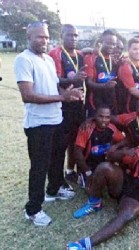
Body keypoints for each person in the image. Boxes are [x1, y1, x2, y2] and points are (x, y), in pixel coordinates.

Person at [14, 22, 83, 226]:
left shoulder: (48, 60)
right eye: (39, 37)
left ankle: (54, 190)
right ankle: (33, 210)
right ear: (29, 37)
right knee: (39, 166)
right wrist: (63, 98)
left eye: (45, 37)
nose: (43, 41)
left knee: (57, 156)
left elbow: (53, 86)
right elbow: (28, 96)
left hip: (56, 118)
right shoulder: (23, 60)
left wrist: (68, 94)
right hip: (38, 123)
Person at [67, 135, 139, 249]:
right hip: (125, 183)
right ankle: (95, 203)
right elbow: (110, 157)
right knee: (104, 167)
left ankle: (84, 244)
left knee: (127, 216)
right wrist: (123, 152)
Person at [49, 24, 87, 183]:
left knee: (76, 139)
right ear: (62, 36)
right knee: (61, 142)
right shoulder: (55, 53)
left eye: (76, 35)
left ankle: (71, 170)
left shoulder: (80, 54)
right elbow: (54, 79)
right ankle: (57, 178)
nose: (73, 38)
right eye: (70, 35)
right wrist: (73, 79)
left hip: (80, 104)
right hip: (63, 105)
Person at [75, 105, 126, 188]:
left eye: (107, 117)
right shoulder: (86, 128)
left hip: (105, 165)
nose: (104, 120)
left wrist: (116, 146)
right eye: (101, 116)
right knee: (92, 189)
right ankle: (82, 176)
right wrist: (87, 172)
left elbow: (125, 141)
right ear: (95, 116)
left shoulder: (112, 128)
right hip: (89, 167)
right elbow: (77, 152)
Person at [84, 29, 118, 117]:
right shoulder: (91, 58)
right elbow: (89, 82)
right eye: (108, 43)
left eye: (113, 44)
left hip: (110, 103)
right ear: (101, 42)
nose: (111, 46)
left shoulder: (114, 60)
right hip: (95, 103)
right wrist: (105, 86)